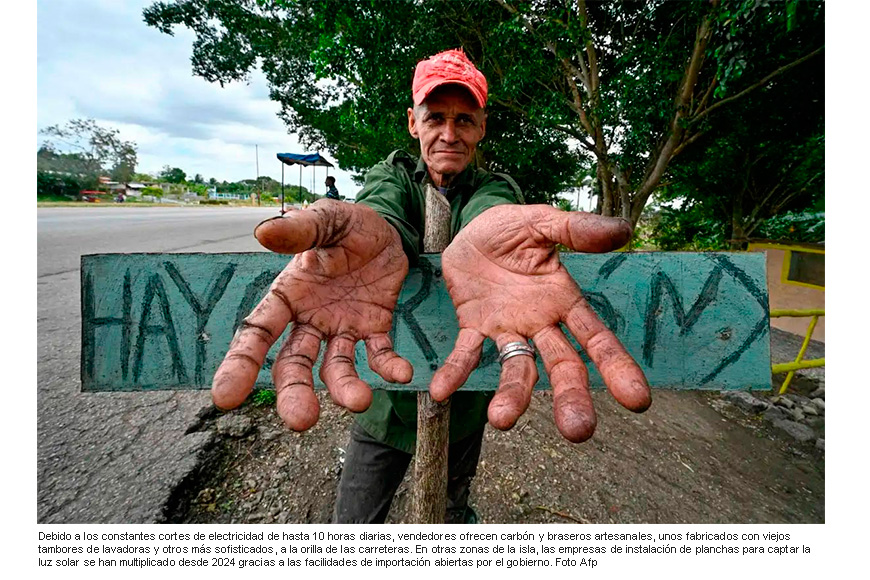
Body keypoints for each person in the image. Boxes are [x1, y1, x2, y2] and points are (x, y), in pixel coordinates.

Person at [212, 49, 651, 524]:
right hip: (383, 406)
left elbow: (490, 214)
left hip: (464, 407)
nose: (449, 133)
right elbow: (384, 213)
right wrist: (376, 237)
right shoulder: (392, 175)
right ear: (412, 122)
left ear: (482, 127)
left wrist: (489, 239)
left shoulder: (495, 186)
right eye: (435, 117)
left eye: (464, 120)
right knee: (353, 523)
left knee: (450, 512)